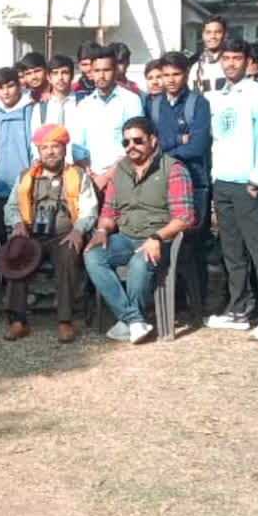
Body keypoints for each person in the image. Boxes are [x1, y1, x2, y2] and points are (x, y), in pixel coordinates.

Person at [83, 116, 196, 344]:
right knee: (92, 254)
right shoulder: (120, 170)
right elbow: (108, 212)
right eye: (126, 142)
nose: (131, 146)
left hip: (161, 239)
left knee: (138, 261)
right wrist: (103, 230)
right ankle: (134, 320)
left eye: (137, 140)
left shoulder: (173, 168)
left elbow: (185, 217)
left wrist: (157, 237)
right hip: (125, 237)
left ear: (152, 140)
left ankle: (128, 321)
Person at [202, 37, 258, 340]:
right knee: (232, 252)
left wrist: (256, 178)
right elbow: (219, 141)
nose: (231, 64)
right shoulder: (219, 97)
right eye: (225, 58)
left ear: (247, 61)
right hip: (223, 184)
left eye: (237, 58)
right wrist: (215, 178)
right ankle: (239, 309)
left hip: (249, 186)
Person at [1, 124, 97, 342]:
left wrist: (78, 230)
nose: (51, 152)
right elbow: (11, 206)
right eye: (45, 147)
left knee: (68, 254)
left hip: (64, 235)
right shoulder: (26, 176)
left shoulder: (78, 175)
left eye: (56, 147)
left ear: (64, 149)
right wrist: (17, 224)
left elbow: (89, 208)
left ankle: (64, 320)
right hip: (31, 234)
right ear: (39, 150)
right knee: (16, 253)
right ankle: (19, 320)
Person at [146, 52, 211, 317]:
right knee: (167, 237)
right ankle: (171, 303)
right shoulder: (153, 104)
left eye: (176, 74)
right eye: (165, 75)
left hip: (194, 180)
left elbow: (196, 145)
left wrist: (166, 148)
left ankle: (198, 304)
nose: (170, 80)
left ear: (186, 75)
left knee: (194, 243)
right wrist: (177, 139)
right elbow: (150, 142)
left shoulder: (199, 103)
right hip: (162, 181)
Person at [69, 47, 144, 193]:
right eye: (97, 71)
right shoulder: (84, 105)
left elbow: (135, 145)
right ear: (91, 72)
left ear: (115, 70)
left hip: (123, 178)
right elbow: (78, 147)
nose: (101, 75)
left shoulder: (131, 101)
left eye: (106, 70)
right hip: (90, 181)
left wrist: (105, 177)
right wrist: (89, 174)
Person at [0, 66, 34, 252]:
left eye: (10, 86)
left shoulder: (31, 110)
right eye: (1, 87)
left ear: (19, 85)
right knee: (0, 235)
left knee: (22, 237)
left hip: (24, 184)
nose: (6, 92)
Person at [191, 15, 228, 93]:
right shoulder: (195, 68)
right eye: (208, 32)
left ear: (225, 35)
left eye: (217, 32)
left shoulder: (232, 64)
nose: (213, 36)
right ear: (203, 35)